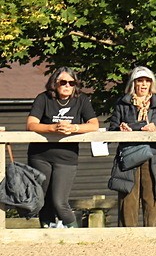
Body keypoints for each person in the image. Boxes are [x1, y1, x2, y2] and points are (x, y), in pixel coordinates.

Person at [25, 67, 100, 228]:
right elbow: (31, 124)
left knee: (60, 201)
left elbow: (94, 124)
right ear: (55, 83)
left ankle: (76, 233)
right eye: (63, 82)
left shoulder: (81, 100)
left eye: (71, 83)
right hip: (40, 156)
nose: (67, 86)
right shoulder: (43, 98)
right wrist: (53, 128)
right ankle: (47, 231)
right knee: (42, 199)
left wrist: (74, 128)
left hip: (67, 158)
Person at [107, 66, 156, 227]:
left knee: (152, 201)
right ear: (133, 83)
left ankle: (153, 239)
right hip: (129, 157)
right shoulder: (123, 104)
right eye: (140, 81)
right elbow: (112, 129)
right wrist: (121, 129)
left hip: (153, 158)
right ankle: (127, 239)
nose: (143, 85)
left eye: (147, 81)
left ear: (152, 84)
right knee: (128, 201)